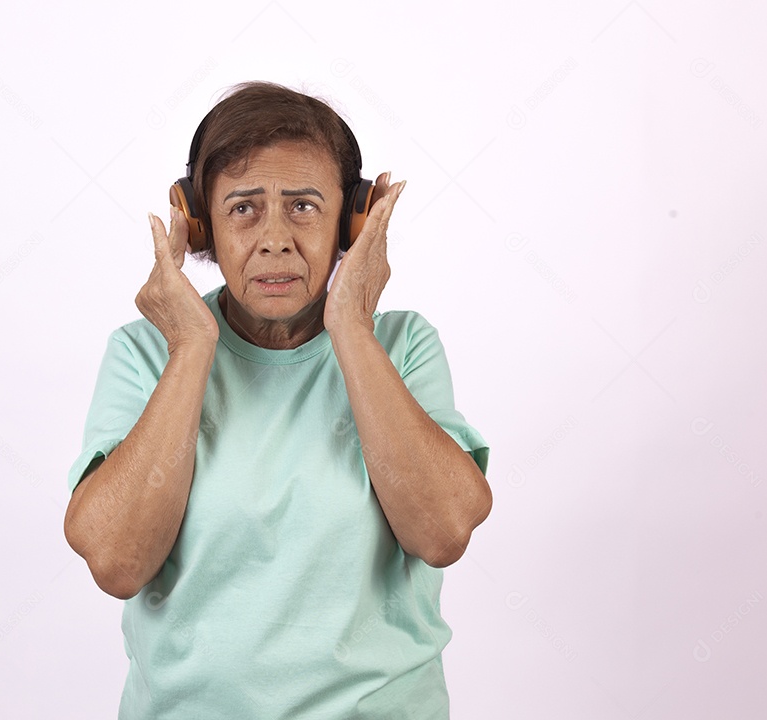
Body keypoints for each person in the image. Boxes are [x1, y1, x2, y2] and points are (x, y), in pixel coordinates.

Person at [63, 81, 492, 719]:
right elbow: (117, 562)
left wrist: (351, 326)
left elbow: (443, 531)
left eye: (303, 206)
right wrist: (190, 349)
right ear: (199, 223)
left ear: (353, 222)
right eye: (242, 208)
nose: (274, 239)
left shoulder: (401, 345)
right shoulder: (147, 353)